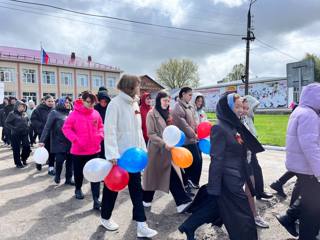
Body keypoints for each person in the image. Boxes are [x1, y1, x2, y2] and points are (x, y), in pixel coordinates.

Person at [179, 93, 264, 240]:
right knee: (243, 215)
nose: (241, 110)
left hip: (236, 176)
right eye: (237, 107)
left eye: (241, 107)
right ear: (227, 108)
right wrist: (214, 186)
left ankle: (189, 226)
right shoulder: (219, 128)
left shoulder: (235, 125)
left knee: (216, 207)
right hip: (228, 179)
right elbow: (216, 159)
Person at [100, 75, 158, 238]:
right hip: (118, 157)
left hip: (133, 157)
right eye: (138, 86)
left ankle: (141, 224)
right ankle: (105, 218)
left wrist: (142, 152)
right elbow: (109, 130)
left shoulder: (134, 104)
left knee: (136, 190)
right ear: (130, 87)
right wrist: (112, 154)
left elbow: (138, 131)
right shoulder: (115, 104)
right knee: (112, 189)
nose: (140, 89)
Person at [142, 91, 192, 213]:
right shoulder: (151, 114)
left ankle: (182, 202)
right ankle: (146, 200)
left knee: (170, 174)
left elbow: (172, 131)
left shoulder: (169, 113)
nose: (166, 103)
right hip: (156, 150)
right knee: (153, 177)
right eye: (164, 100)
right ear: (159, 101)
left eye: (168, 100)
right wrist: (164, 144)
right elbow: (151, 134)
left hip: (168, 150)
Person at [285, 83, 320, 240]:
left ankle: (291, 219)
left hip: (301, 166)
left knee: (309, 202)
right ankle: (307, 235)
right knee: (312, 208)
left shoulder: (300, 111)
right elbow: (310, 146)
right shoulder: (309, 115)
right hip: (308, 168)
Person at [62, 91, 104, 210]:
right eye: (89, 102)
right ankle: (78, 189)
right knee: (79, 173)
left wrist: (100, 136)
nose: (91, 105)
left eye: (93, 102)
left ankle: (96, 199)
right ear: (83, 100)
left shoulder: (96, 113)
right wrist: (75, 140)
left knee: (95, 175)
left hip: (94, 149)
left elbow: (101, 126)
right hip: (78, 150)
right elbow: (66, 128)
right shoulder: (74, 114)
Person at [242, 97, 269, 228]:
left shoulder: (246, 120)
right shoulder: (232, 123)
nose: (245, 111)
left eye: (248, 108)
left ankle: (254, 215)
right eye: (243, 108)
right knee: (229, 195)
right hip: (237, 163)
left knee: (250, 188)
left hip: (247, 159)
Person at [243, 95, 272, 200]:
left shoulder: (249, 117)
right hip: (246, 149)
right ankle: (253, 193)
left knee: (256, 169)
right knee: (249, 172)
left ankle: (259, 192)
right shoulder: (243, 117)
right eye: (253, 107)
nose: (253, 110)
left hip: (251, 147)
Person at [172, 87, 202, 190]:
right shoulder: (178, 108)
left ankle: (192, 181)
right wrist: (194, 134)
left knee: (198, 160)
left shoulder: (190, 106)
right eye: (189, 95)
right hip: (185, 141)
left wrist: (198, 131)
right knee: (190, 162)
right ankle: (188, 182)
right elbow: (184, 126)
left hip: (194, 138)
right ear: (183, 94)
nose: (191, 97)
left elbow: (194, 121)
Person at [39, 97, 74, 185]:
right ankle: (57, 175)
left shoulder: (71, 113)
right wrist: (42, 140)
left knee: (70, 161)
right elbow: (47, 127)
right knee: (59, 160)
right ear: (61, 103)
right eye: (66, 102)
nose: (68, 104)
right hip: (58, 141)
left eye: (69, 102)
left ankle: (68, 179)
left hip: (70, 141)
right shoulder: (54, 113)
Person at [31, 95, 55, 174]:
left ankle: (51, 168)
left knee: (52, 151)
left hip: (52, 134)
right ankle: (39, 162)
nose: (51, 103)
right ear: (44, 101)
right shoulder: (38, 110)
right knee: (43, 150)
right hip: (43, 134)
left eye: (52, 101)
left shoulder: (54, 110)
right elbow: (33, 120)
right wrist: (42, 127)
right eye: (49, 101)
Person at [5, 100, 31, 168]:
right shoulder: (12, 113)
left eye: (23, 106)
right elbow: (7, 123)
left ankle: (24, 158)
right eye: (20, 106)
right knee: (16, 149)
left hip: (24, 133)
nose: (22, 108)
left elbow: (27, 121)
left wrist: (28, 126)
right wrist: (14, 128)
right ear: (17, 106)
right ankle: (18, 163)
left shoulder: (24, 114)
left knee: (27, 147)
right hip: (15, 134)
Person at [94, 88, 111, 159]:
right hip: (98, 133)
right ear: (99, 101)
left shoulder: (110, 108)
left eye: (105, 102)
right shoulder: (95, 108)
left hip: (108, 132)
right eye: (102, 101)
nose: (103, 103)